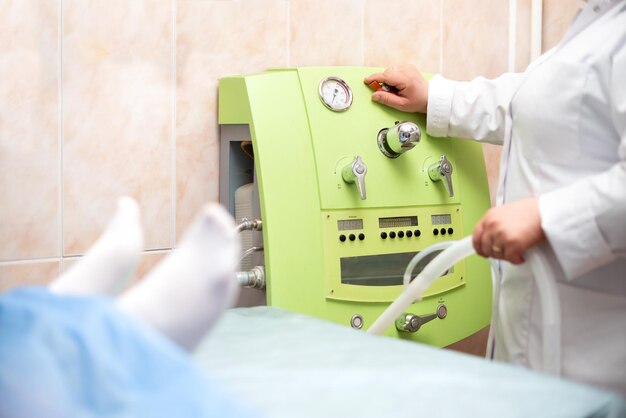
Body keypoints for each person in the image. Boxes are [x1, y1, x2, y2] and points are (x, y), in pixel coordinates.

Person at [364, 0, 626, 396]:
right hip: (538, 347)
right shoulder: (598, 24)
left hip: (596, 358)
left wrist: (547, 216)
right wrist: (435, 96)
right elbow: (535, 104)